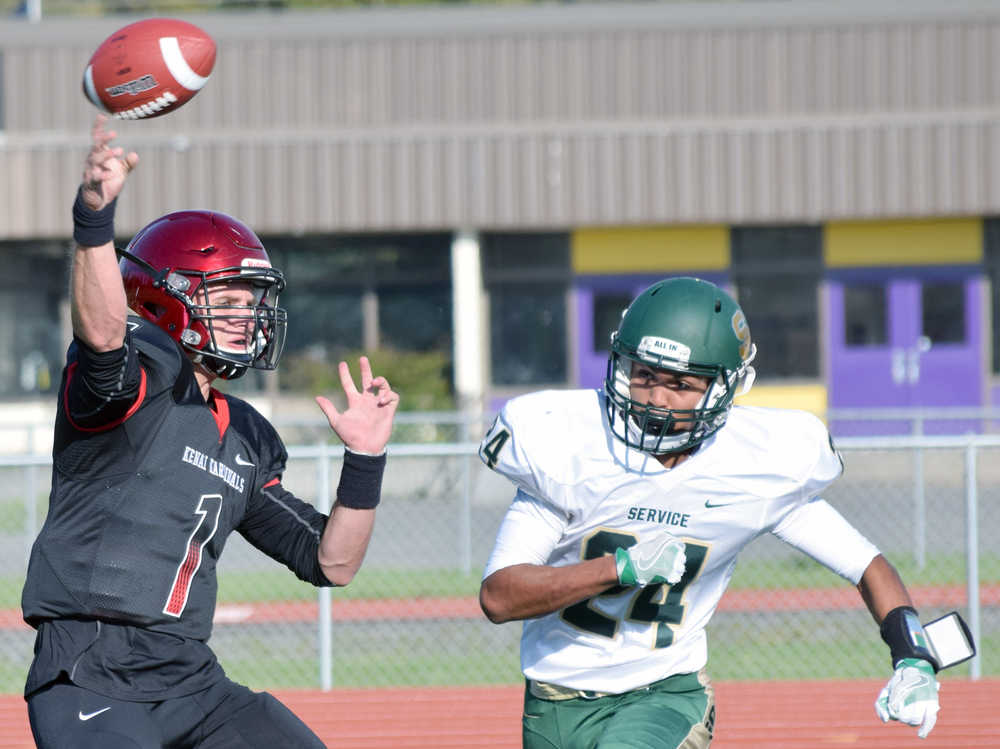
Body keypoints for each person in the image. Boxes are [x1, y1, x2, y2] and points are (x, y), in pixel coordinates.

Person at [20, 115, 399, 749]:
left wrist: (365, 457)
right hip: (91, 668)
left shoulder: (245, 434)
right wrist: (94, 221)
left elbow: (332, 562)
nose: (247, 318)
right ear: (166, 297)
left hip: (191, 681)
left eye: (252, 303)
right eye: (228, 301)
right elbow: (104, 336)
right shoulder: (136, 381)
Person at [478, 276, 941, 748]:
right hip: (552, 702)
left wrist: (914, 657)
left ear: (725, 389)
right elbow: (499, 597)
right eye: (645, 375)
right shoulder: (569, 450)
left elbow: (867, 565)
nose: (657, 398)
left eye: (681, 384)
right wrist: (618, 568)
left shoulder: (755, 469)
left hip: (662, 695)